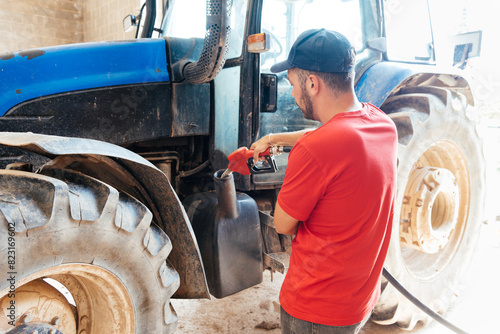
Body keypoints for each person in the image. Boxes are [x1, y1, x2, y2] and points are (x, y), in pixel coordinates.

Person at [250, 29, 398, 333]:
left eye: (292, 85)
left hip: (314, 310)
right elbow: (334, 135)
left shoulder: (314, 151)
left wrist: (294, 165)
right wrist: (275, 138)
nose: (291, 93)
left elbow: (283, 224)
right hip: (358, 303)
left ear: (312, 83)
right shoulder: (382, 125)